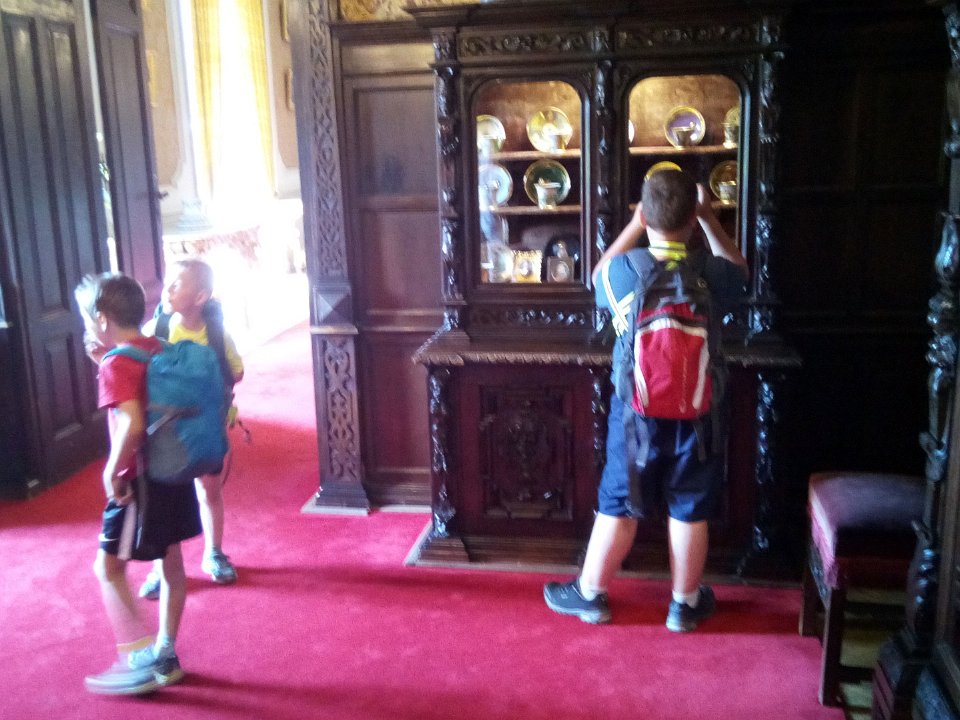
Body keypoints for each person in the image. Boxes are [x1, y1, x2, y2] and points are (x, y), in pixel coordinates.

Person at [543, 169, 748, 631]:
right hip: (699, 411)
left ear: (645, 215)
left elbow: (595, 275)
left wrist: (636, 224)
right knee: (689, 506)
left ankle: (591, 595)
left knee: (618, 500)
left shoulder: (623, 272)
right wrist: (709, 220)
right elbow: (741, 273)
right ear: (692, 218)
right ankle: (684, 605)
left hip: (636, 411)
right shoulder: (712, 274)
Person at [74, 273, 201, 694]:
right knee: (171, 564)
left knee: (108, 568)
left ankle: (139, 658)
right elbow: (146, 396)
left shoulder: (117, 363)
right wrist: (105, 363)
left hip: (138, 483)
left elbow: (131, 421)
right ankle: (165, 651)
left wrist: (111, 470)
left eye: (88, 319)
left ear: (102, 319)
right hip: (173, 472)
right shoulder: (156, 348)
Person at [139, 258, 245, 600]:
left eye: (176, 284)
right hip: (164, 433)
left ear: (200, 297)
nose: (167, 289)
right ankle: (162, 568)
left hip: (206, 428)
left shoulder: (216, 334)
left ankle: (214, 552)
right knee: (164, 499)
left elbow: (236, 372)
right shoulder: (154, 330)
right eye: (168, 282)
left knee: (210, 491)